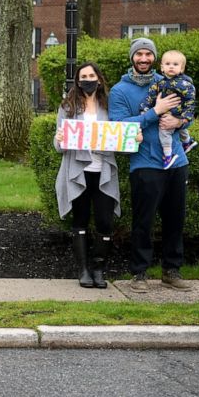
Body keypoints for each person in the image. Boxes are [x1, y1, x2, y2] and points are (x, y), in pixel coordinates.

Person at [109, 37, 192, 293]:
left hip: (177, 160)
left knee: (175, 219)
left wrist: (180, 123)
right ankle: (139, 273)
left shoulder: (169, 81)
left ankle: (171, 271)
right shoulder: (119, 91)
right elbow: (120, 126)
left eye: (148, 54)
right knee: (143, 221)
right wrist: (154, 112)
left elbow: (187, 110)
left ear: (154, 58)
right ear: (132, 58)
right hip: (145, 163)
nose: (143, 59)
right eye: (139, 54)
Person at [53, 62, 127, 289]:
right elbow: (59, 147)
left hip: (103, 171)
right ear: (77, 81)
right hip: (78, 172)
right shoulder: (68, 108)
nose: (87, 79)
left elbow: (120, 136)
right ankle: (83, 270)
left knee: (105, 222)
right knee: (80, 220)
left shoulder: (109, 106)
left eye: (91, 75)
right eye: (83, 76)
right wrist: (58, 138)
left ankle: (98, 268)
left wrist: (131, 137)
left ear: (99, 78)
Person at [139, 49, 198, 169]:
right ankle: (187, 142)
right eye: (168, 64)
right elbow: (150, 97)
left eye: (175, 64)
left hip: (176, 115)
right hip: (166, 113)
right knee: (179, 130)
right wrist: (144, 110)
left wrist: (185, 118)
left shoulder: (186, 84)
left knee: (164, 132)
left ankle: (168, 155)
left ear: (182, 69)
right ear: (162, 67)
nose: (171, 67)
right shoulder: (160, 83)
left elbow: (191, 102)